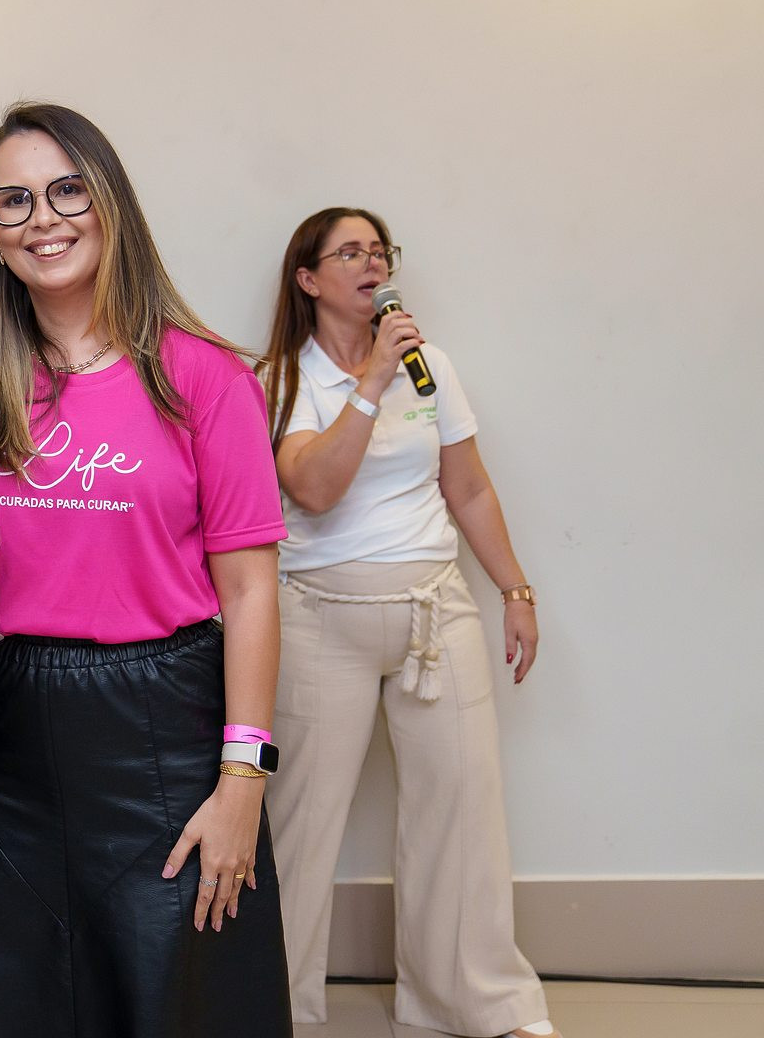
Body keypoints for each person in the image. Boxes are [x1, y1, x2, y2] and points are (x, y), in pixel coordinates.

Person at [0, 103, 292, 1036]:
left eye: (67, 191)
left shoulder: (205, 377)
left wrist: (243, 779)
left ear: (110, 203)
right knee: (5, 1008)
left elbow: (251, 592)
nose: (42, 219)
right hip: (2, 734)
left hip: (160, 735)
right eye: (13, 201)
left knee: (168, 1006)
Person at [258, 207, 559, 1038]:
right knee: (300, 821)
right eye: (350, 252)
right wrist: (370, 383)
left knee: (461, 808)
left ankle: (475, 1003)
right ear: (309, 279)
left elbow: (469, 487)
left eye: (379, 251)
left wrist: (516, 591)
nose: (372, 265)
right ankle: (277, 1006)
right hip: (320, 617)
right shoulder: (281, 379)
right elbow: (314, 489)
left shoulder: (431, 367)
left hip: (435, 610)